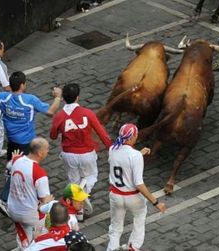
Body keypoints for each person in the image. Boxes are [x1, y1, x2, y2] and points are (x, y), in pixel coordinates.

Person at [0, 71, 61, 216]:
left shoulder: (3, 97)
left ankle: (13, 192)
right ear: (22, 85)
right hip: (25, 142)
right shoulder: (29, 100)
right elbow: (51, 111)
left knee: (12, 166)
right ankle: (4, 199)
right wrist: (58, 97)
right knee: (21, 171)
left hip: (11, 140)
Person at [50, 83, 112, 216]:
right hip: (87, 153)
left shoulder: (59, 116)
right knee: (91, 177)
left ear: (63, 98)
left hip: (68, 154)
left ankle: (79, 212)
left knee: (73, 181)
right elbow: (102, 133)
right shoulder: (88, 113)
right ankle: (82, 194)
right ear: (78, 97)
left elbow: (53, 136)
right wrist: (111, 149)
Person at [107, 123, 167, 251]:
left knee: (115, 229)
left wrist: (139, 154)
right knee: (139, 218)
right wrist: (156, 202)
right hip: (133, 197)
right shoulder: (135, 156)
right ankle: (133, 246)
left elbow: (123, 163)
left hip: (116, 196)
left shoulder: (112, 149)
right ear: (131, 137)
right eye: (136, 135)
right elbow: (139, 184)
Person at [8, 137, 54, 249]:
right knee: (39, 238)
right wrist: (50, 200)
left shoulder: (16, 160)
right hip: (31, 215)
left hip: (13, 210)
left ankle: (22, 245)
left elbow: (9, 166)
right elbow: (44, 199)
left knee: (23, 236)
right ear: (40, 153)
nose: (48, 151)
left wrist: (14, 159)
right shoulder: (39, 173)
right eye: (47, 149)